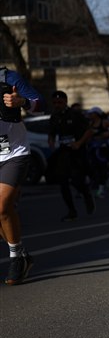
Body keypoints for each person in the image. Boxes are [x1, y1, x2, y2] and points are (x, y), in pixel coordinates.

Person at [0, 66, 43, 285]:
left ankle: (16, 258)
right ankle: (22, 254)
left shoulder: (8, 77)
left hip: (14, 153)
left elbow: (40, 104)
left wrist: (22, 102)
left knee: (2, 206)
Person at [48, 90, 95, 221]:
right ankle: (71, 211)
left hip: (77, 152)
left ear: (65, 102)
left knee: (76, 180)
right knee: (63, 182)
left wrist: (79, 143)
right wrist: (51, 141)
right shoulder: (54, 117)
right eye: (54, 103)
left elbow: (89, 131)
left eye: (59, 102)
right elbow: (51, 133)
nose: (57, 105)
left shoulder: (75, 115)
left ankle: (86, 194)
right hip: (64, 152)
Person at [86, 107, 109, 198]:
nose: (90, 115)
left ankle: (102, 188)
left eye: (92, 113)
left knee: (102, 167)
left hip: (103, 148)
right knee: (94, 167)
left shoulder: (104, 122)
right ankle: (107, 180)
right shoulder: (91, 123)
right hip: (93, 147)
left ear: (97, 114)